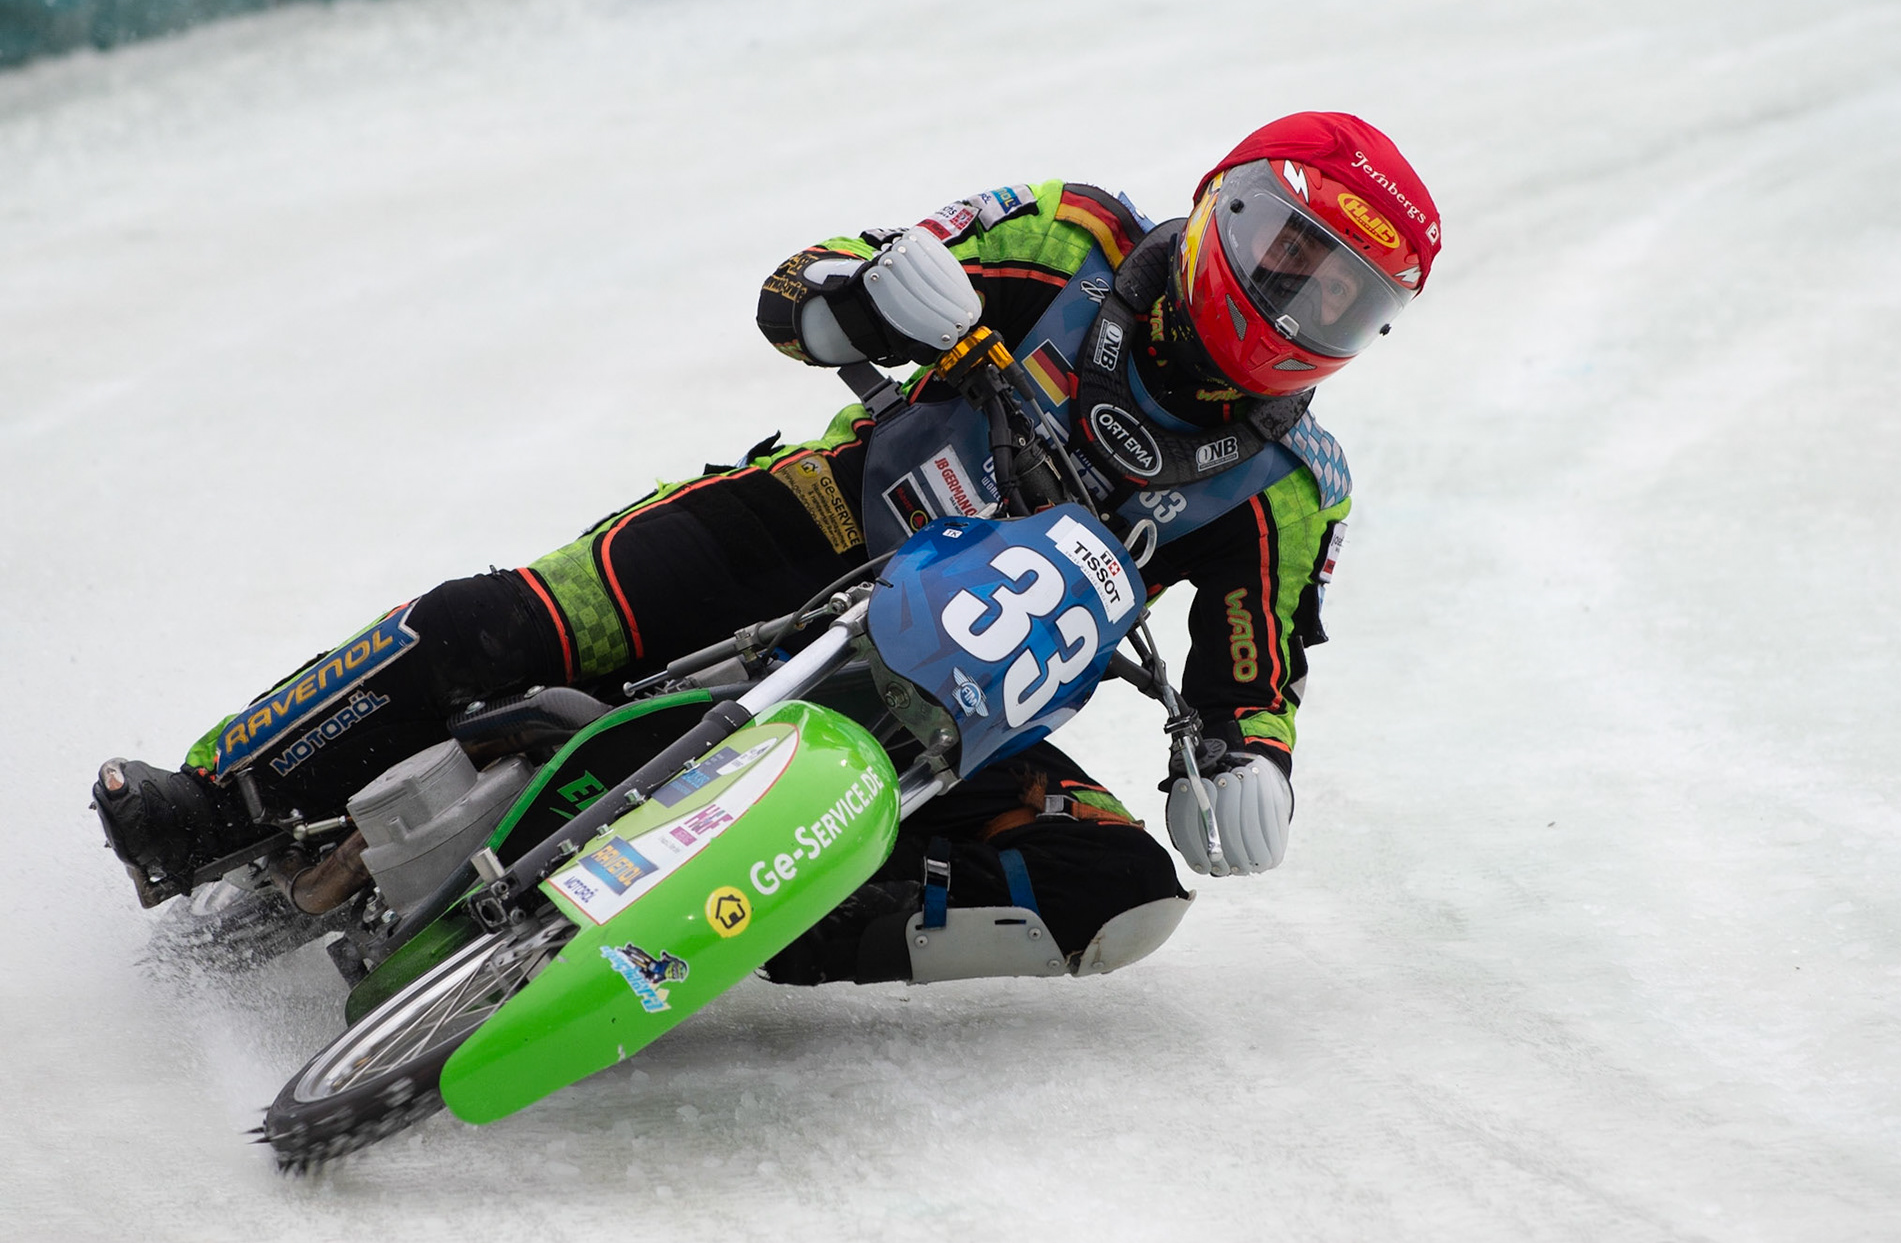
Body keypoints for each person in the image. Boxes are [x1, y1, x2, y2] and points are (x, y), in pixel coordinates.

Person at [90, 111, 1441, 984]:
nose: (1295, 301)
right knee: (511, 622)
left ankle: (700, 939)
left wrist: (1247, 763)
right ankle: (212, 801)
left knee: (1116, 894)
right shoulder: (1075, 234)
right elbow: (803, 285)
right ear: (1227, 210)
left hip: (973, 709)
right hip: (827, 520)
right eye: (1290, 252)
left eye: (1343, 296)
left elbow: (1251, 677)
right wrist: (863, 298)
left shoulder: (1291, 486)